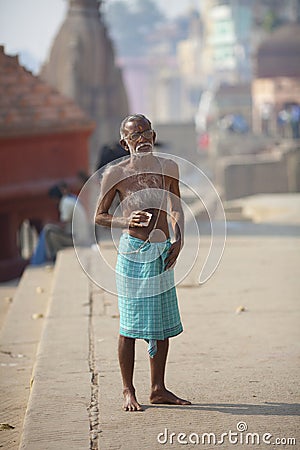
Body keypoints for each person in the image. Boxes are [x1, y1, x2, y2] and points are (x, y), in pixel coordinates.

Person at [95, 114, 191, 411]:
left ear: (153, 135)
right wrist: (124, 220)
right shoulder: (115, 174)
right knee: (130, 324)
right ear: (125, 143)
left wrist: (179, 238)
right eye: (134, 136)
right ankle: (128, 390)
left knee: (161, 324)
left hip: (161, 248)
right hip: (132, 253)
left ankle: (158, 388)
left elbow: (174, 203)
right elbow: (99, 215)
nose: (141, 139)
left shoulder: (168, 167)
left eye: (145, 133)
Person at [31, 182, 91, 264]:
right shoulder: (70, 200)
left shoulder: (65, 203)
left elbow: (63, 224)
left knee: (49, 233)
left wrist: (50, 224)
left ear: (54, 198)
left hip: (78, 240)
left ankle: (53, 258)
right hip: (81, 237)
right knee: (49, 230)